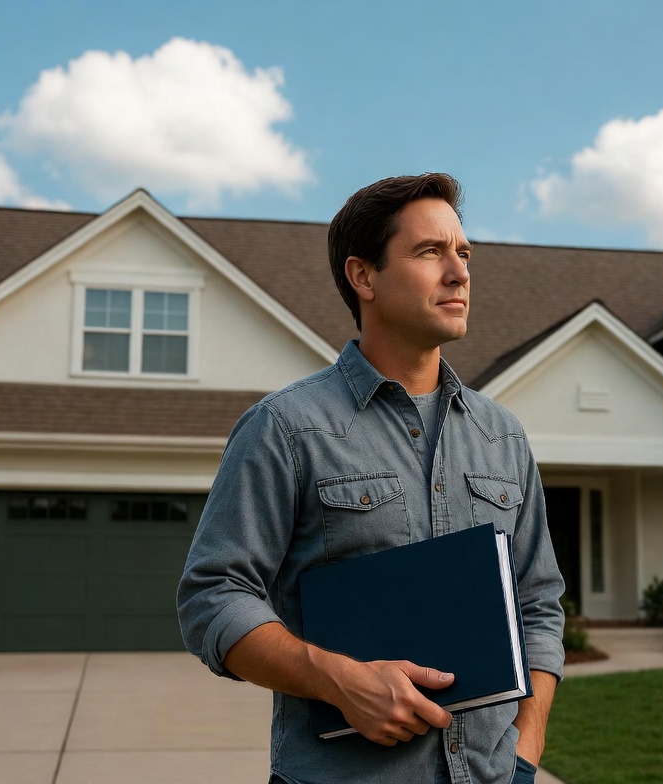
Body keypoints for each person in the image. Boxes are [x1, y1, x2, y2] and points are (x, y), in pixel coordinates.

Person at [178, 173, 565, 784]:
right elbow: (213, 596)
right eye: (430, 251)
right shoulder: (286, 428)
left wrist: (525, 752)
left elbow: (538, 602)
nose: (459, 272)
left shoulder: (503, 437)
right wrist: (341, 680)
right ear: (364, 277)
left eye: (463, 253)